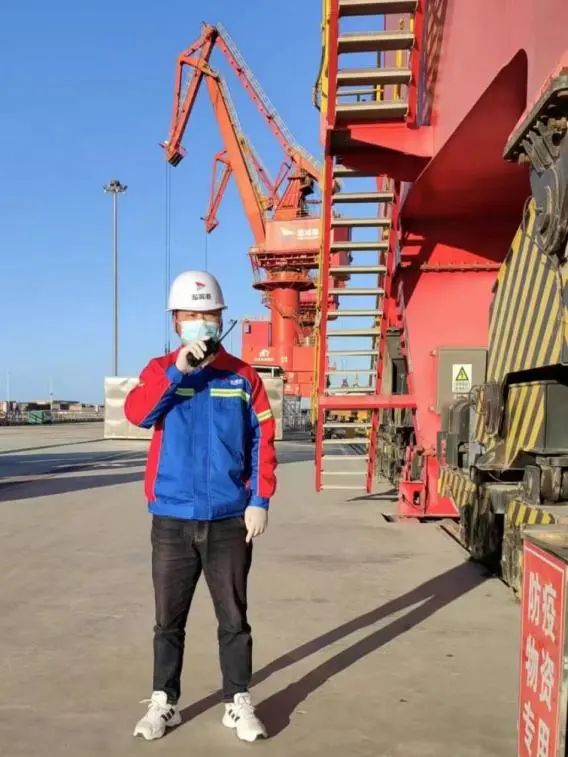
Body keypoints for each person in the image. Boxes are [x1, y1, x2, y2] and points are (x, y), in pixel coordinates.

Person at [125, 270, 277, 743]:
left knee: (233, 619)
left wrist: (260, 499)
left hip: (229, 519)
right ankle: (164, 702)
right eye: (191, 315)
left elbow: (263, 439)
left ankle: (238, 701)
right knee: (168, 621)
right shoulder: (160, 370)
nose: (201, 322)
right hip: (172, 518)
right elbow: (138, 414)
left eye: (208, 314)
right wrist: (178, 372)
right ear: (176, 322)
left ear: (220, 319)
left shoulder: (242, 376)